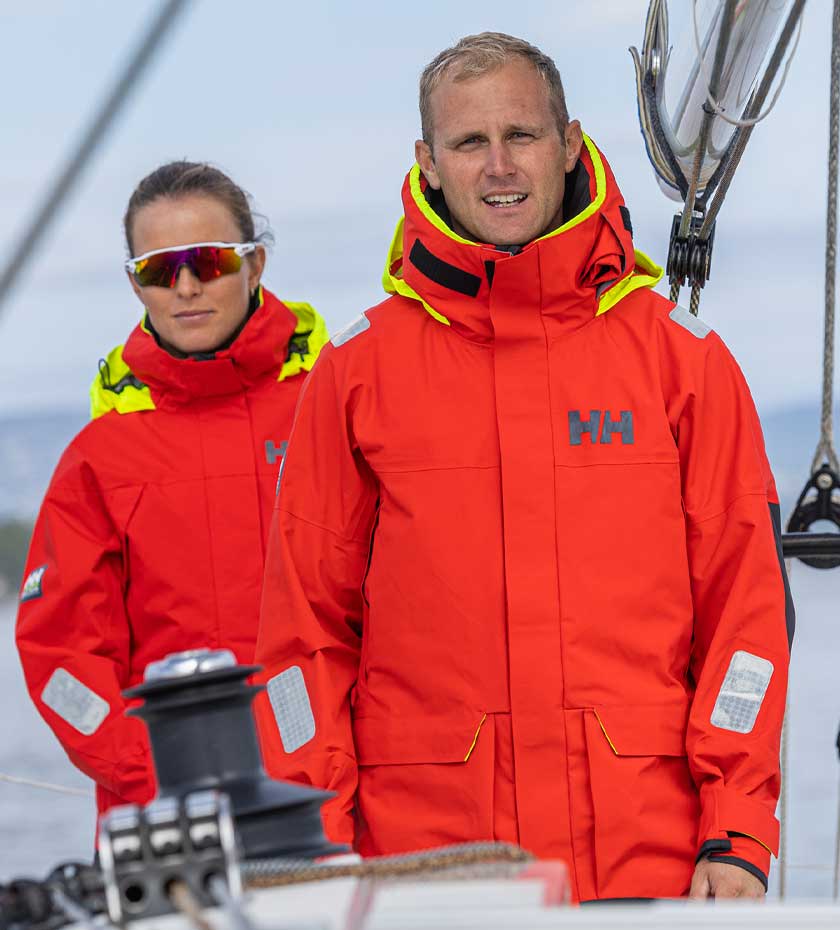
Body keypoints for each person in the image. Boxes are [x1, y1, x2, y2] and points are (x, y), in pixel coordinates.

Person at [253, 33, 793, 902]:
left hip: (648, 860)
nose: (499, 166)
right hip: (428, 870)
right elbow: (301, 639)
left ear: (570, 143)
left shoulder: (680, 362)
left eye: (522, 136)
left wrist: (736, 833)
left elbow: (747, 621)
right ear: (429, 163)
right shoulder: (356, 375)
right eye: (470, 143)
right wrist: (315, 845)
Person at [16, 161, 327, 824]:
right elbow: (59, 659)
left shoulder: (331, 410)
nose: (186, 287)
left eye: (209, 261)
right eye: (159, 269)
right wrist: (149, 766)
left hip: (336, 798)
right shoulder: (99, 460)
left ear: (255, 264)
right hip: (169, 817)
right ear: (136, 283)